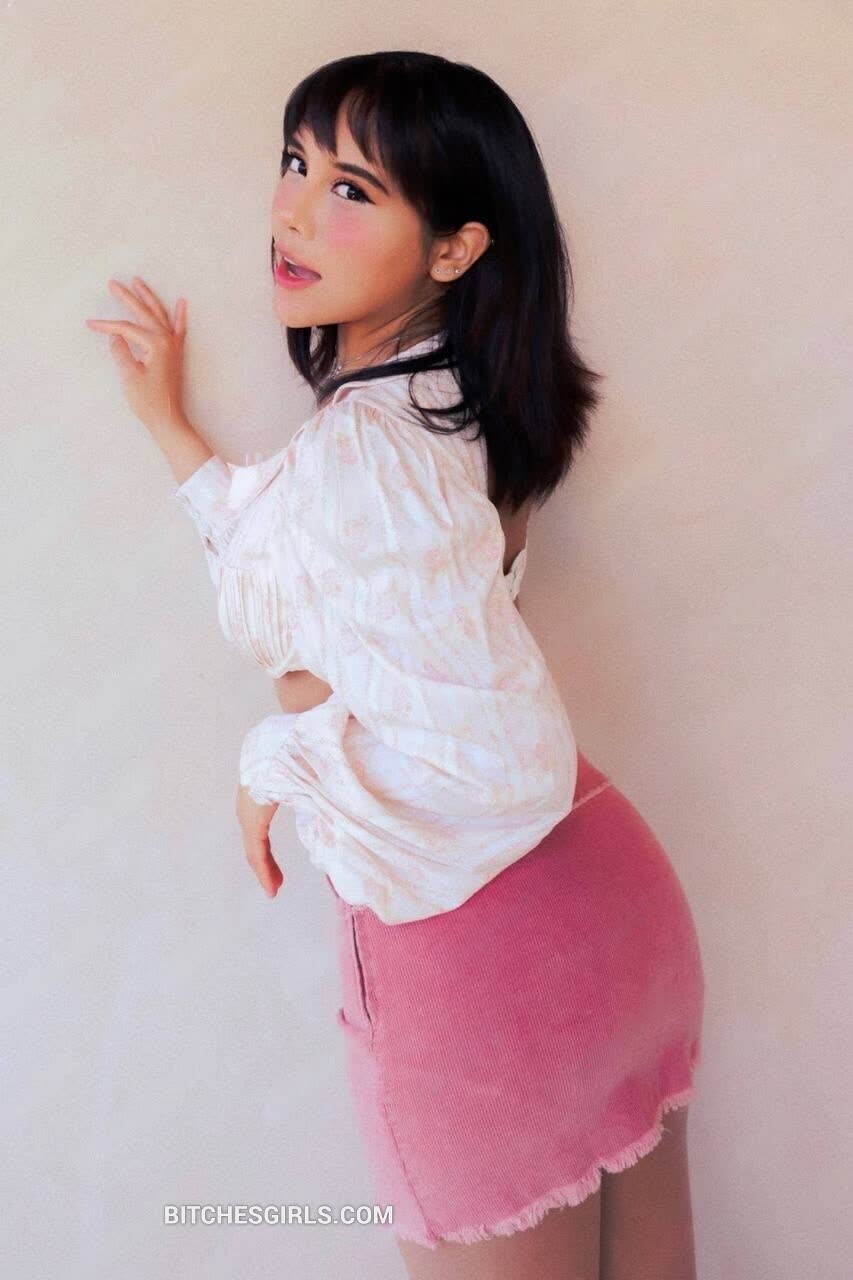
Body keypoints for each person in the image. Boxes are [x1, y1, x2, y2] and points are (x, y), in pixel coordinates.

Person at [86, 50, 705, 1280]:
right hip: (601, 913)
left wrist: (277, 758)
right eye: (295, 163)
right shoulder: (449, 401)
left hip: (482, 957)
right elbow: (310, 567)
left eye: (352, 189)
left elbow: (492, 761)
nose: (293, 212)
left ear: (455, 248)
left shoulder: (367, 451)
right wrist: (174, 432)